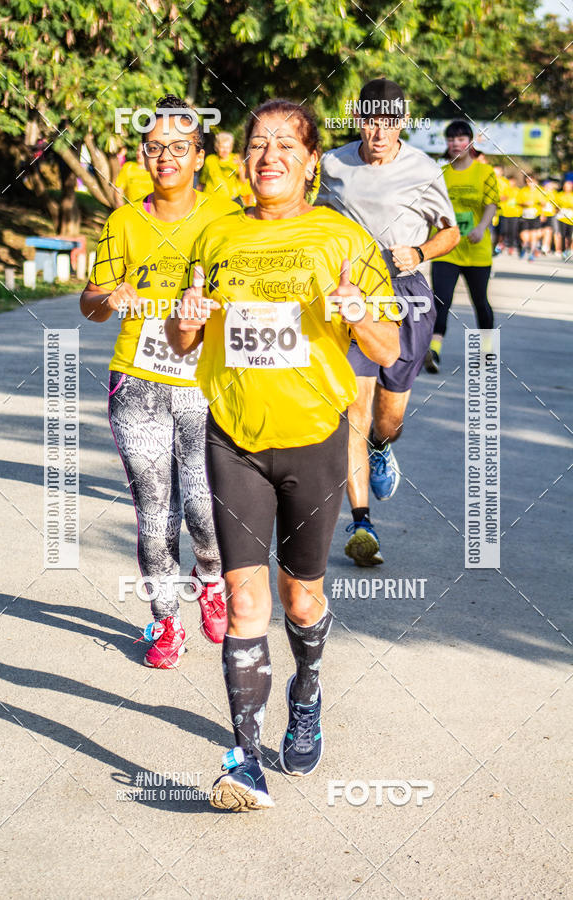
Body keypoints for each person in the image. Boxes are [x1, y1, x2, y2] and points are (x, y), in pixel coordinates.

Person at [166, 98, 400, 810]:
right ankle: (243, 760)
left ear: (310, 162)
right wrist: (183, 323)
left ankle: (307, 690)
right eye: (257, 143)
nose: (269, 155)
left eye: (285, 144)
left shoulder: (341, 237)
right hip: (232, 438)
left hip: (315, 445)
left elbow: (388, 350)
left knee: (301, 598)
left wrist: (360, 314)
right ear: (243, 160)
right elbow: (184, 343)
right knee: (244, 599)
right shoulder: (216, 235)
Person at [80, 96, 238, 668]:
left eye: (178, 147)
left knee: (202, 506)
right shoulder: (123, 220)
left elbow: (245, 294)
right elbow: (90, 302)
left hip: (202, 383)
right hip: (137, 386)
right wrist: (109, 297)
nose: (164, 156)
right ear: (142, 155)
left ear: (199, 155)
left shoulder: (225, 218)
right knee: (155, 511)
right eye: (154, 147)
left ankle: (212, 581)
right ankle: (167, 622)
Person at [315, 78, 459, 566]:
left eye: (390, 121)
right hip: (355, 296)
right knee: (354, 412)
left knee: (388, 417)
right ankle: (361, 525)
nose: (380, 131)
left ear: (404, 120)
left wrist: (419, 251)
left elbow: (451, 232)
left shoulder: (423, 168)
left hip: (408, 298)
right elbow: (313, 223)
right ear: (359, 118)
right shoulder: (333, 165)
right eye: (371, 120)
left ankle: (382, 445)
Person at [426, 120, 498, 373]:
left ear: (470, 141)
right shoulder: (440, 173)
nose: (456, 143)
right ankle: (434, 350)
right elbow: (431, 208)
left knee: (480, 301)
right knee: (441, 300)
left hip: (477, 250)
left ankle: (488, 347)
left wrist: (481, 227)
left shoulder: (485, 173)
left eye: (461, 138)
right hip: (446, 248)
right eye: (451, 139)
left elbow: (491, 204)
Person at [198, 131, 251, 204]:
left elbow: (243, 181)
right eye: (222, 147)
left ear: (231, 147)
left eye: (228, 147)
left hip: (229, 201)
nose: (225, 150)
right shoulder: (210, 160)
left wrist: (240, 167)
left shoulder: (236, 159)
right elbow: (202, 181)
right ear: (216, 147)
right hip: (210, 199)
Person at [517, 175, 544, 260]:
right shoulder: (523, 191)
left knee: (534, 234)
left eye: (531, 181)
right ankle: (524, 245)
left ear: (535, 181)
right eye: (528, 181)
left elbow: (544, 203)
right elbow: (518, 202)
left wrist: (542, 213)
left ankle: (532, 253)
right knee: (524, 234)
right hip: (525, 215)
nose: (530, 183)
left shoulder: (540, 191)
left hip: (535, 215)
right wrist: (525, 204)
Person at [497, 175, 522, 256]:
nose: (511, 183)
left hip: (515, 214)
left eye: (513, 181)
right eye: (510, 181)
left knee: (513, 231)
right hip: (504, 213)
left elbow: (521, 201)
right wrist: (503, 198)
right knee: (503, 230)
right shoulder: (505, 190)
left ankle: (511, 246)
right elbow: (499, 197)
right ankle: (501, 244)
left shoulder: (518, 191)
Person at [555, 179, 573, 260]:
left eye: (568, 186)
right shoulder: (559, 195)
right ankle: (562, 250)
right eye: (565, 186)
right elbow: (555, 206)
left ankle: (568, 249)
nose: (567, 187)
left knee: (569, 235)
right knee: (562, 235)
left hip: (571, 218)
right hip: (561, 218)